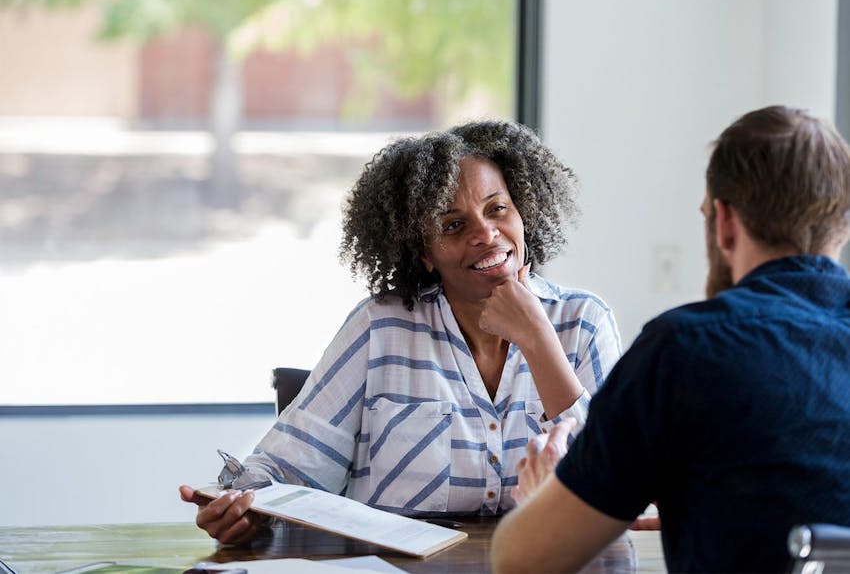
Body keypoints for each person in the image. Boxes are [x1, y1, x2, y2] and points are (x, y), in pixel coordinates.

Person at [179, 119, 622, 545]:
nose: (486, 234)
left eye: (497, 209)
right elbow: (288, 467)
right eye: (453, 225)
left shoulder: (583, 323)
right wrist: (243, 508)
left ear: (523, 212)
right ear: (424, 252)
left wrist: (538, 339)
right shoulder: (381, 327)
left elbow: (616, 484)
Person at [491, 105, 850, 573]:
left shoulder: (683, 351)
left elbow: (520, 560)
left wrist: (544, 497)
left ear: (723, 222)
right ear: (841, 223)